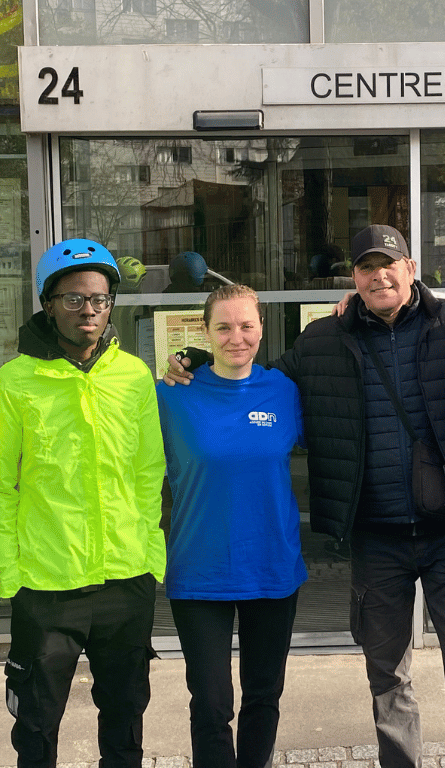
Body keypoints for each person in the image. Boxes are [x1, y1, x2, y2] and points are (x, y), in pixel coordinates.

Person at [168, 224, 445, 768]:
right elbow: (248, 380)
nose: (379, 275)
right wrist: (192, 359)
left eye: (389, 264)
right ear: (353, 277)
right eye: (367, 267)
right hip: (376, 540)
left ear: (411, 269)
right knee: (387, 678)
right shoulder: (322, 341)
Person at [0, 238, 166, 768]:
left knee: (125, 715)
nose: (88, 310)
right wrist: (11, 573)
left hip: (125, 579)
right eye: (73, 299)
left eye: (100, 299)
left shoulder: (133, 376)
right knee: (36, 725)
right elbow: (2, 485)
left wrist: (152, 559)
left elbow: (149, 473)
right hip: (48, 586)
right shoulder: (16, 381)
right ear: (48, 303)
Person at [156, 284, 307, 768]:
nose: (235, 337)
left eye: (246, 325)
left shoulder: (284, 390)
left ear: (262, 328)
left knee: (264, 694)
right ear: (205, 331)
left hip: (272, 566)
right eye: (223, 326)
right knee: (212, 703)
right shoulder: (172, 393)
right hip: (199, 570)